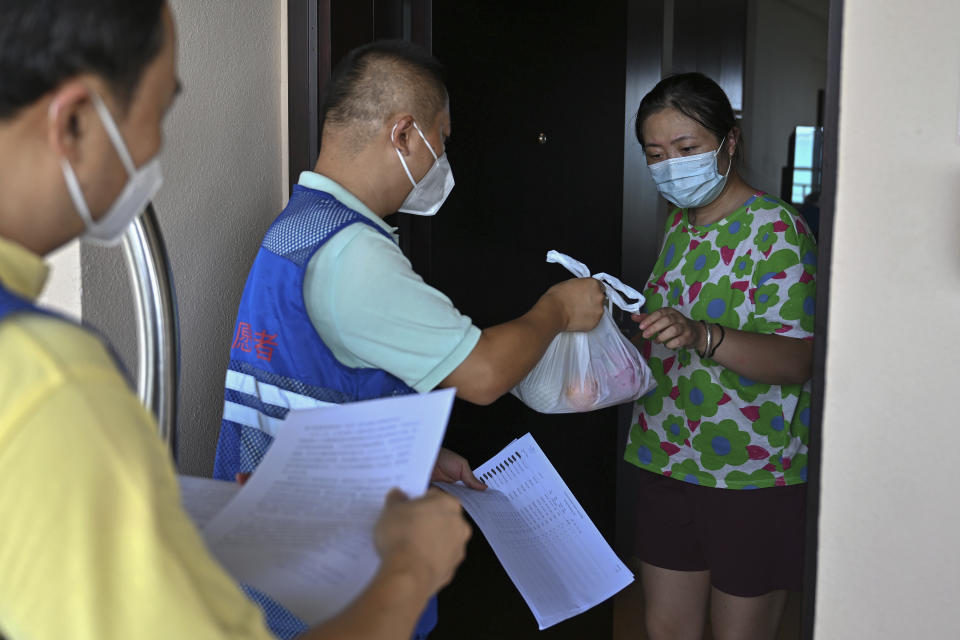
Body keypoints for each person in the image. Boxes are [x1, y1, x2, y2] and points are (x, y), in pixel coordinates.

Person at [0, 2, 470, 639]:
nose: (155, 150)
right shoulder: (50, 383)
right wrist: (412, 567)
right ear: (76, 120)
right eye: (158, 113)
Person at [212, 38, 606, 638]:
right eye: (440, 141)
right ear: (403, 134)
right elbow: (483, 375)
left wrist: (409, 454)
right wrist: (556, 308)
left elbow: (309, 388)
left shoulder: (297, 228)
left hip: (275, 561)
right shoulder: (354, 256)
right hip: (335, 582)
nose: (441, 162)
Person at [624, 72, 817, 640]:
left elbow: (796, 361)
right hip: (666, 455)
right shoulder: (678, 228)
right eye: (655, 154)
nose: (670, 167)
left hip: (753, 473)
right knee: (668, 629)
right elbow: (666, 336)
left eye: (687, 149)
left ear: (729, 142)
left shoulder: (778, 230)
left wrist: (702, 335)